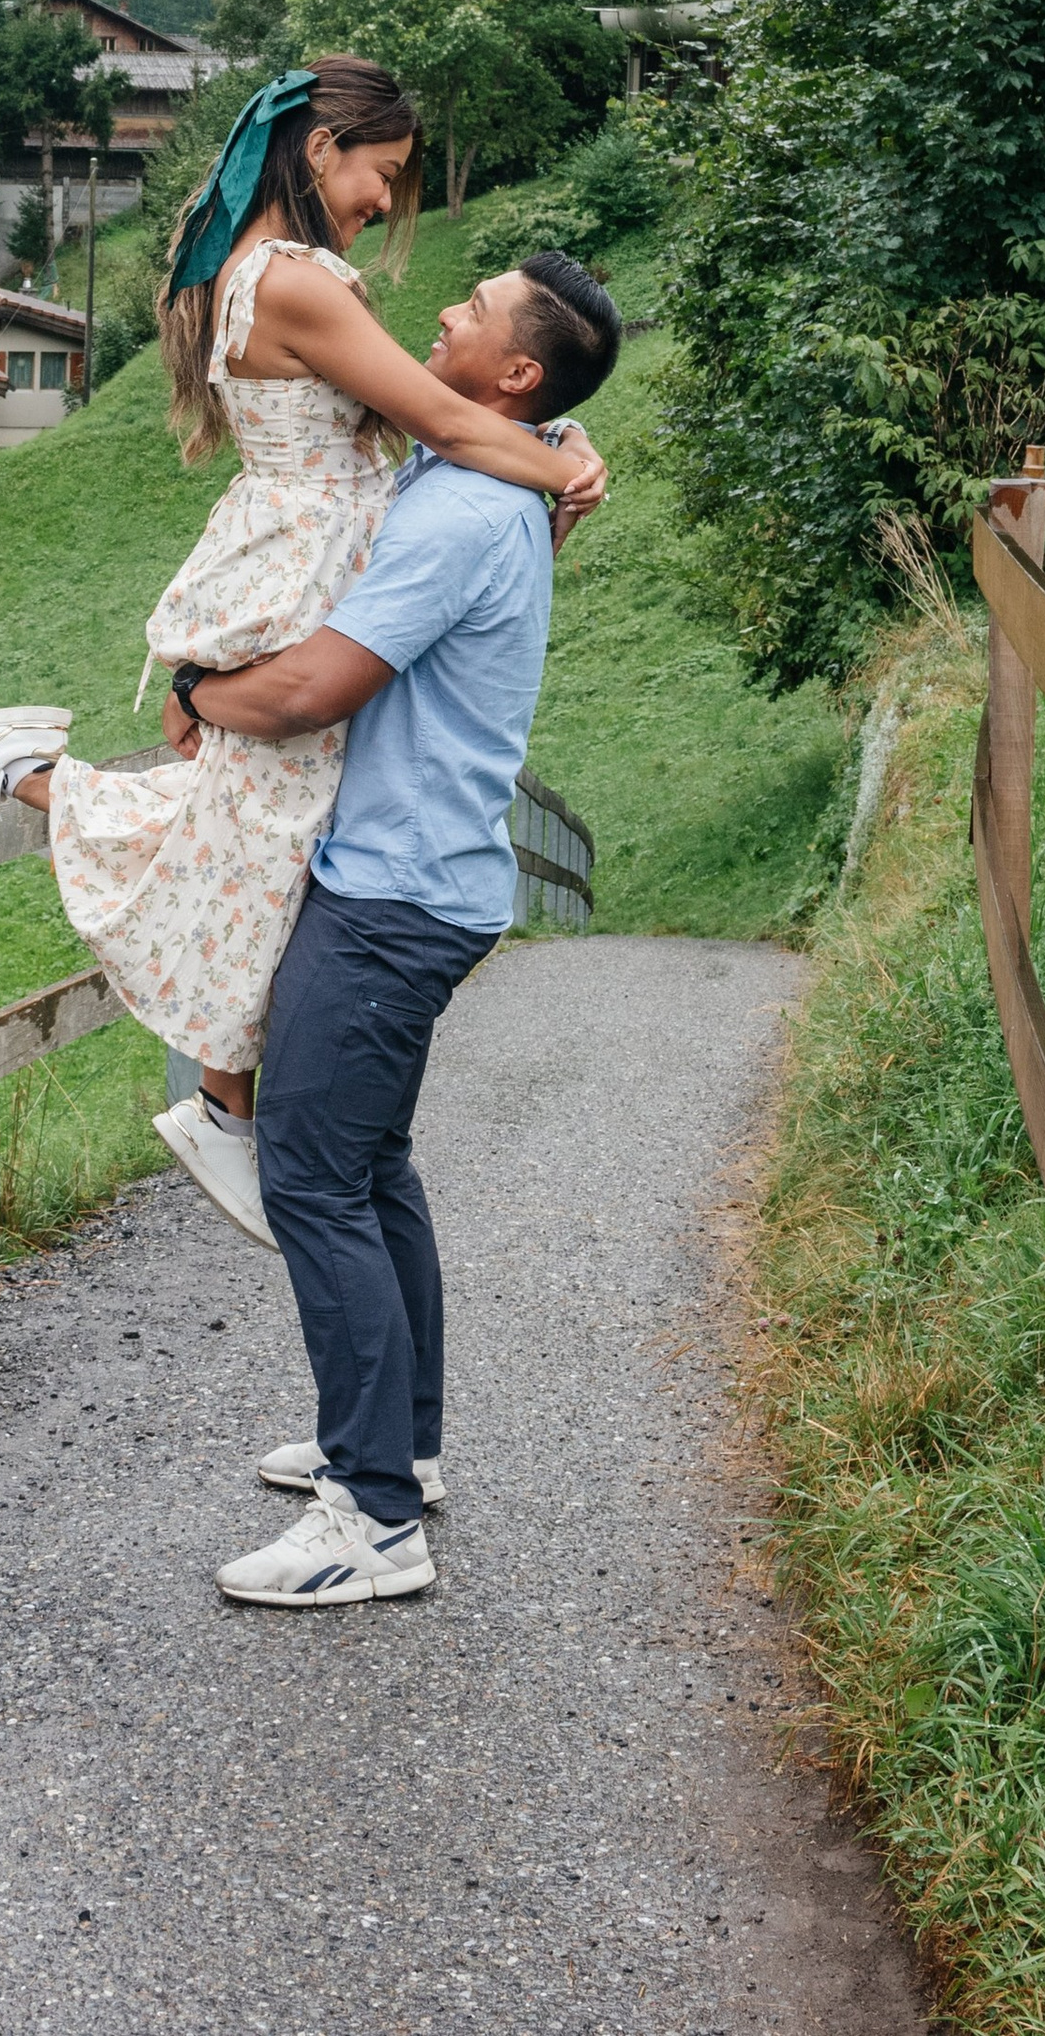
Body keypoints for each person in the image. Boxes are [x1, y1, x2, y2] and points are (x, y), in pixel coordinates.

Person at [0, 60, 606, 1243]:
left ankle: (34, 784)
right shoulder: (292, 279)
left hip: (322, 545)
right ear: (322, 149)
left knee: (262, 826)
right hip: (307, 556)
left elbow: (430, 417)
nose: (386, 203)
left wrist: (559, 439)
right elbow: (432, 420)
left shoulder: (294, 274)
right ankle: (221, 1097)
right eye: (383, 174)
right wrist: (566, 464)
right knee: (272, 837)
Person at [177, 247, 624, 1608]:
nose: (438, 311)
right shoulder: (499, 462)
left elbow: (320, 682)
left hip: (388, 896)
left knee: (313, 1175)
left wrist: (200, 692)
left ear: (516, 369)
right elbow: (501, 432)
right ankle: (400, 1448)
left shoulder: (466, 515)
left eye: (470, 310)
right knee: (371, 1168)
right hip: (425, 882)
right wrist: (563, 447)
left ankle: (369, 1519)